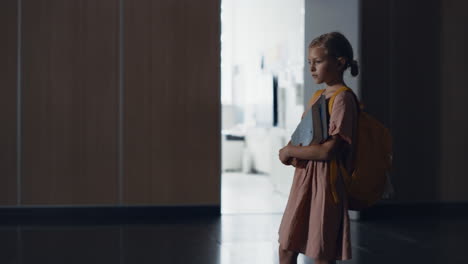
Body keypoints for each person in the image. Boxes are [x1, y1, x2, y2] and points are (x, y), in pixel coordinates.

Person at [277, 31, 360, 264]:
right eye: (309, 63)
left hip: (326, 182)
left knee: (321, 249)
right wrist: (290, 150)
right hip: (304, 180)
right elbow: (305, 138)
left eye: (318, 62)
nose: (312, 68)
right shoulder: (317, 96)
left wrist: (290, 151)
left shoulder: (343, 99)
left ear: (340, 62)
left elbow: (328, 151)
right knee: (287, 244)